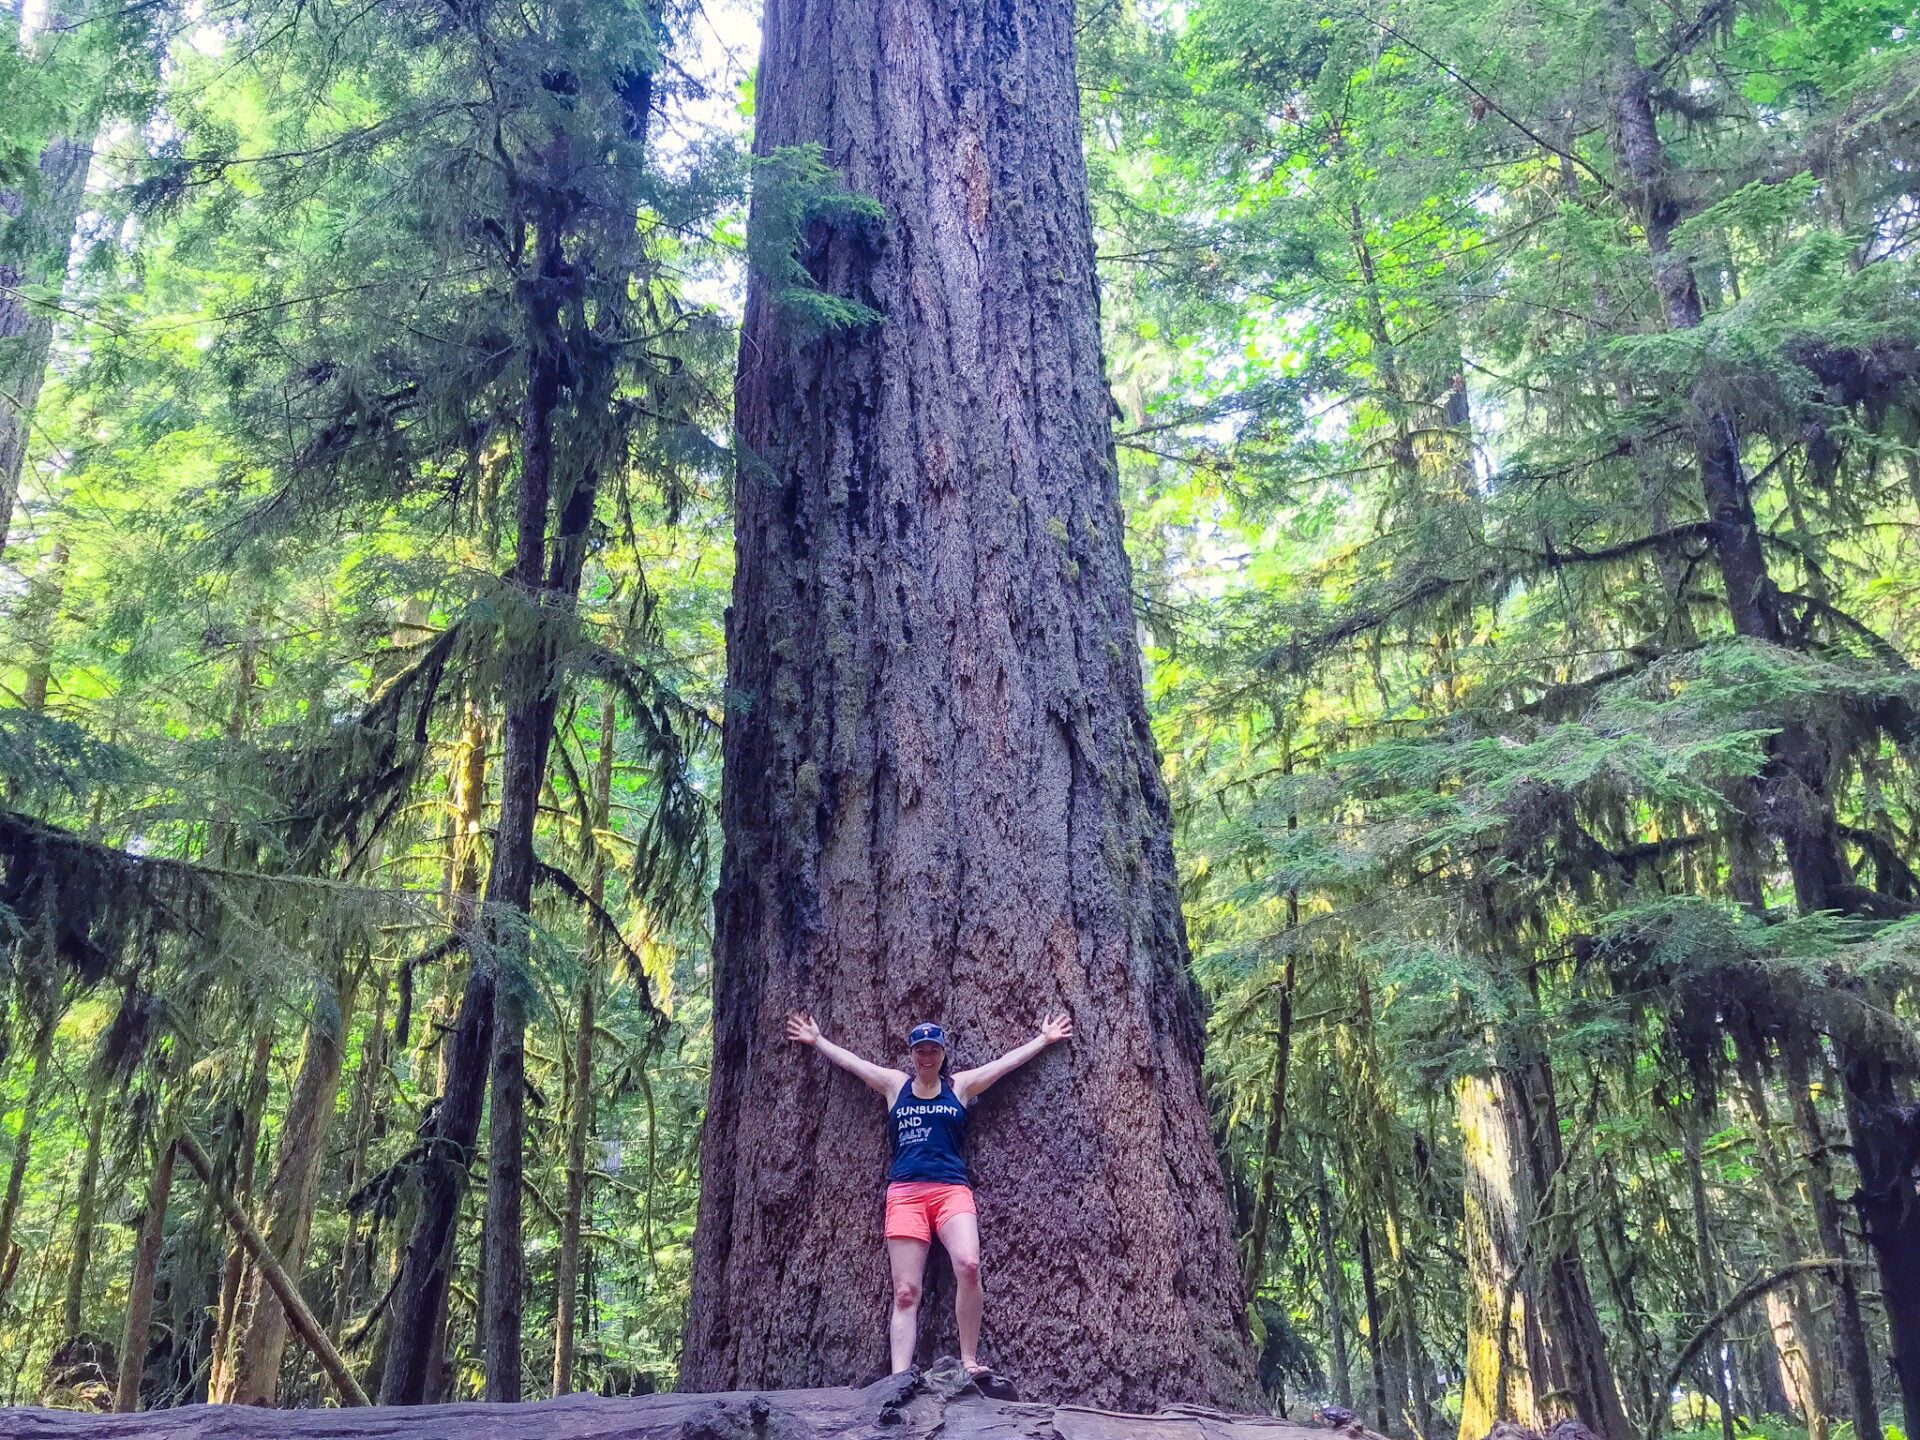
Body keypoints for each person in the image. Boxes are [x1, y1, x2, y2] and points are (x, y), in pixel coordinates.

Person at [785, 1010, 1074, 1380]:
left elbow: (1002, 1065)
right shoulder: (895, 1086)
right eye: (920, 1050)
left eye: (933, 1050)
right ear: (912, 1053)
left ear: (942, 1054)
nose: (926, 1057)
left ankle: (969, 1360)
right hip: (905, 1194)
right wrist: (818, 1041)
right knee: (906, 1292)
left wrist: (1044, 1039)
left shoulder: (960, 1087)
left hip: (951, 1192)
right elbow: (856, 1065)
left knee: (969, 1265)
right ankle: (899, 1379)